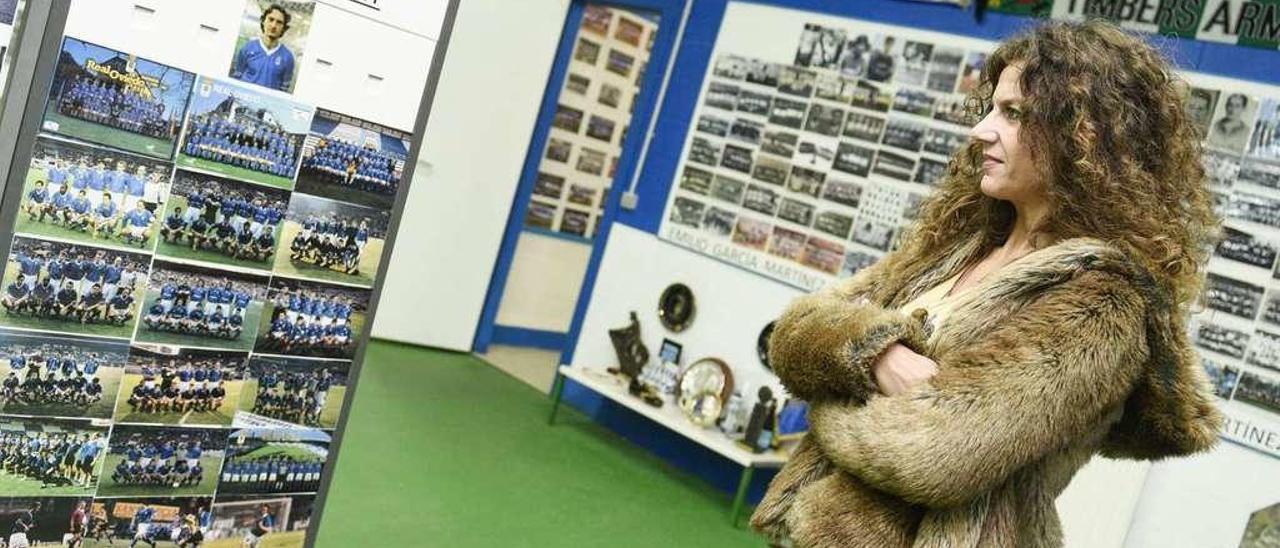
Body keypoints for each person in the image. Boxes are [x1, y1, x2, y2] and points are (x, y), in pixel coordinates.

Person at [751, 21, 1222, 547]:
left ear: (1083, 137)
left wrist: (824, 400)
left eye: (1014, 114)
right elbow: (791, 334)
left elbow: (928, 455)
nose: (981, 131)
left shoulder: (1105, 303)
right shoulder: (958, 248)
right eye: (992, 108)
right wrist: (878, 357)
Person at [230, 4, 297, 91]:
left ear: (283, 28)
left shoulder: (288, 57)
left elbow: (284, 89)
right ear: (263, 21)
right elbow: (236, 78)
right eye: (271, 19)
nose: (273, 25)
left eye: (279, 22)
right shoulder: (247, 48)